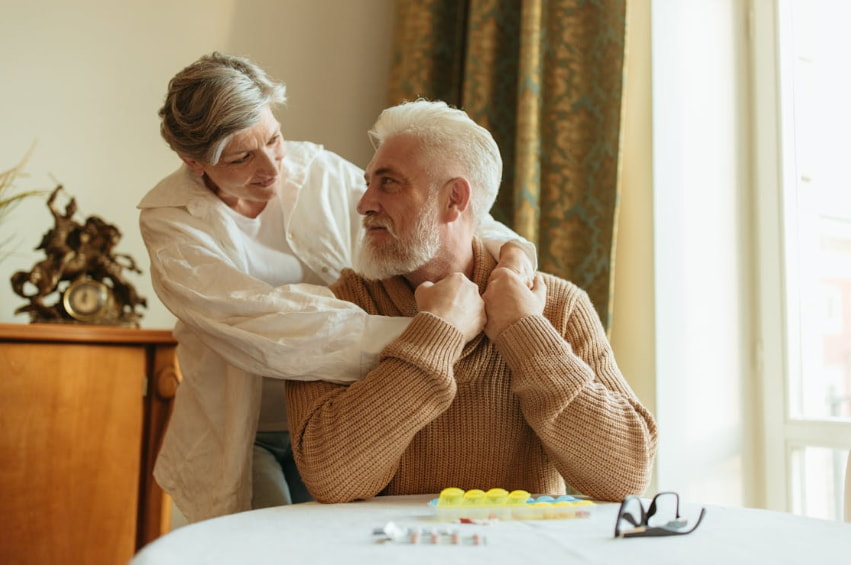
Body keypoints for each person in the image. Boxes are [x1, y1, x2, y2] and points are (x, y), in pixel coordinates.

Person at [137, 53, 536, 523]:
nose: (270, 166)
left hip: (340, 419)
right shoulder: (171, 223)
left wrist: (513, 253)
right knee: (269, 550)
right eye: (242, 157)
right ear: (194, 162)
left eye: (274, 138)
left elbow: (430, 215)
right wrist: (438, 332)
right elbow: (267, 327)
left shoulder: (318, 172)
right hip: (248, 432)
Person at [285, 100, 658, 504]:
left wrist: (524, 331)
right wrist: (437, 334)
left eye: (388, 183)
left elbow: (628, 474)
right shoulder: (338, 309)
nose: (364, 203)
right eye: (369, 182)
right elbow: (331, 479)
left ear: (454, 199)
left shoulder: (559, 306)